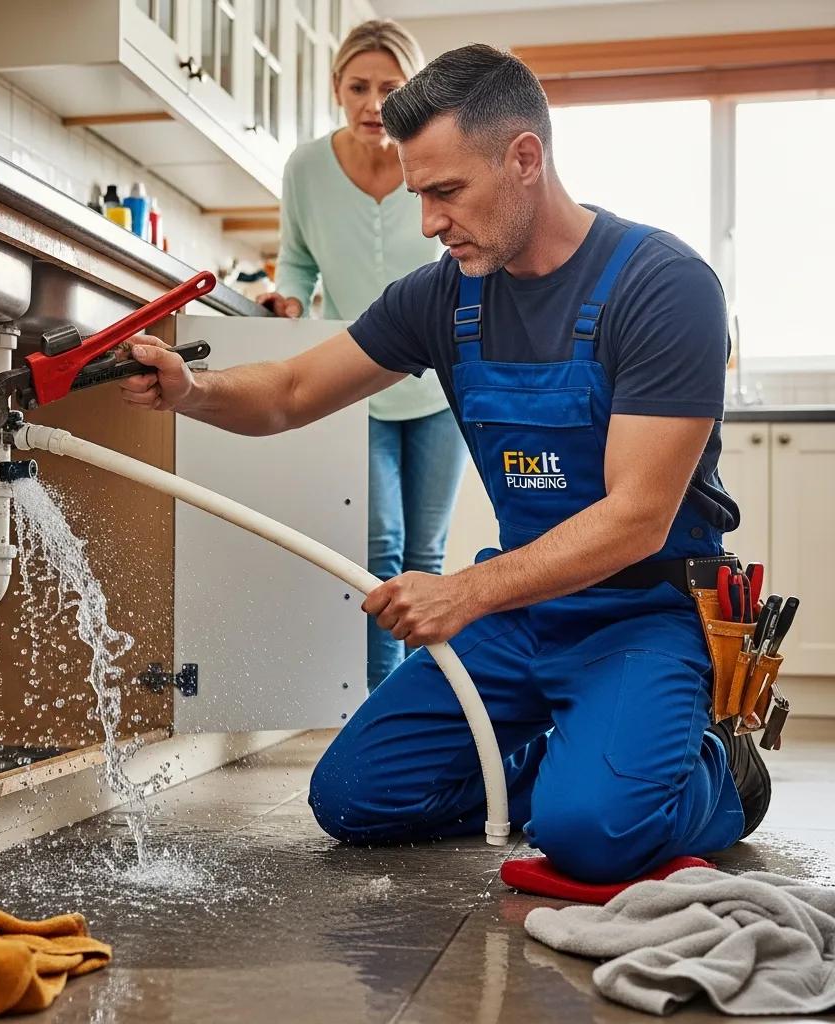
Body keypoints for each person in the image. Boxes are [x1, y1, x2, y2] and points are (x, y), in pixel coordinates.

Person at [119, 43, 770, 884]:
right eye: (419, 191)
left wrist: (462, 592)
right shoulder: (446, 294)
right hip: (524, 613)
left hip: (641, 612)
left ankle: (718, 772)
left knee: (597, 836)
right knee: (354, 799)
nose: (427, 221)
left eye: (445, 191)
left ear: (525, 159)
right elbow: (288, 390)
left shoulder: (664, 286)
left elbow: (638, 515)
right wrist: (190, 388)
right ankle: (585, 767)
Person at [258, 19, 468, 693]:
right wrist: (287, 300)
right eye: (358, 87)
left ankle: (422, 715)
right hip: (353, 383)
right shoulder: (308, 168)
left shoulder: (434, 159)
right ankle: (383, 712)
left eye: (390, 87)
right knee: (378, 551)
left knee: (425, 558)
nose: (373, 103)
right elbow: (295, 262)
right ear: (335, 88)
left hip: (440, 386)